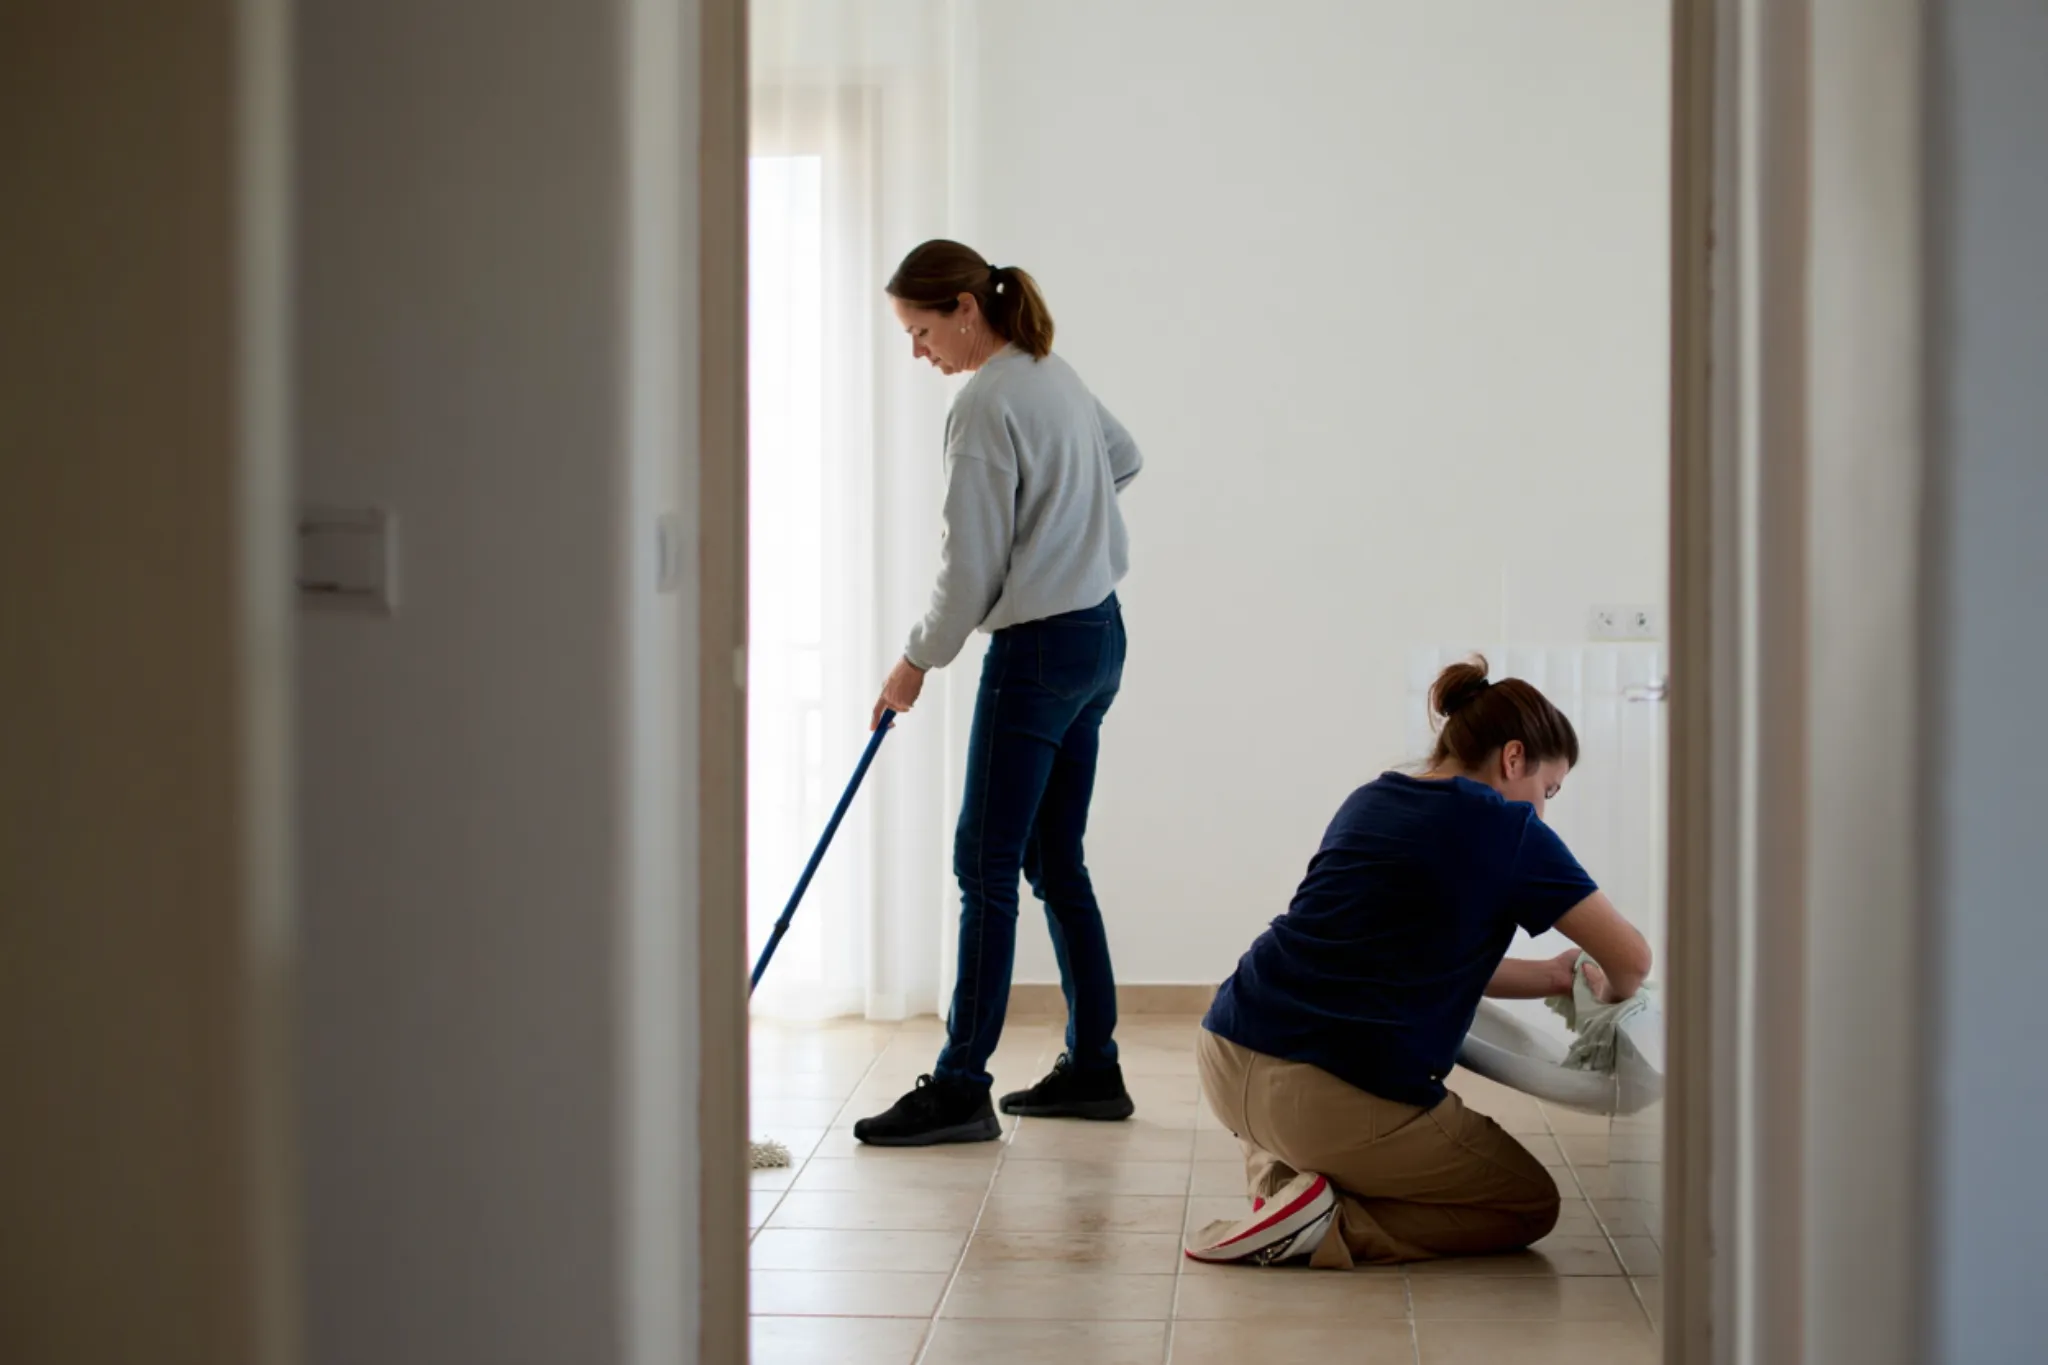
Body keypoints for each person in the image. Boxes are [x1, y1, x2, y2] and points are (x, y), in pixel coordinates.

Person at [1184, 657, 1653, 1267]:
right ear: (1514, 759)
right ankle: (1330, 1227)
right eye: (1548, 790)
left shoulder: (1372, 798)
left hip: (1227, 1056)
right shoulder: (1507, 827)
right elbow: (1633, 960)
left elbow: (1394, 949)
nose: (1544, 810)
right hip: (1323, 1097)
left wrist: (1547, 977)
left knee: (1307, 1122)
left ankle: (1283, 1189)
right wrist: (1615, 1003)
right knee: (1527, 1203)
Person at [853, 240, 1144, 1147]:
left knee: (985, 864)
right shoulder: (1048, 371)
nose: (917, 351)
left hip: (1037, 652)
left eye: (920, 329)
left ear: (964, 311)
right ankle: (1094, 1066)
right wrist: (1065, 526)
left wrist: (912, 662)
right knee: (1057, 862)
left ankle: (959, 1086)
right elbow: (1123, 458)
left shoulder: (982, 402)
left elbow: (969, 569)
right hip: (1100, 635)